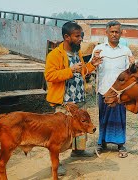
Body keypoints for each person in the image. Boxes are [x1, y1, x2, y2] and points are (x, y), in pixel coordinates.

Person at [44, 21, 103, 175]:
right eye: (77, 36)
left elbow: (82, 71)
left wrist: (92, 65)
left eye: (81, 36)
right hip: (64, 102)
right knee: (60, 136)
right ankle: (56, 164)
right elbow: (49, 76)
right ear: (66, 37)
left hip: (79, 99)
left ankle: (78, 151)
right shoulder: (54, 55)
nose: (80, 39)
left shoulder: (77, 53)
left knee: (81, 127)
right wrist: (69, 70)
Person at [91, 20, 134, 158]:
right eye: (112, 32)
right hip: (103, 89)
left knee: (120, 117)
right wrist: (94, 62)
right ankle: (101, 143)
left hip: (120, 93)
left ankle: (121, 144)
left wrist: (134, 64)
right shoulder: (99, 49)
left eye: (117, 32)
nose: (114, 34)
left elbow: (131, 72)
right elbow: (91, 67)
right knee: (103, 117)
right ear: (107, 32)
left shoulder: (126, 51)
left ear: (121, 33)